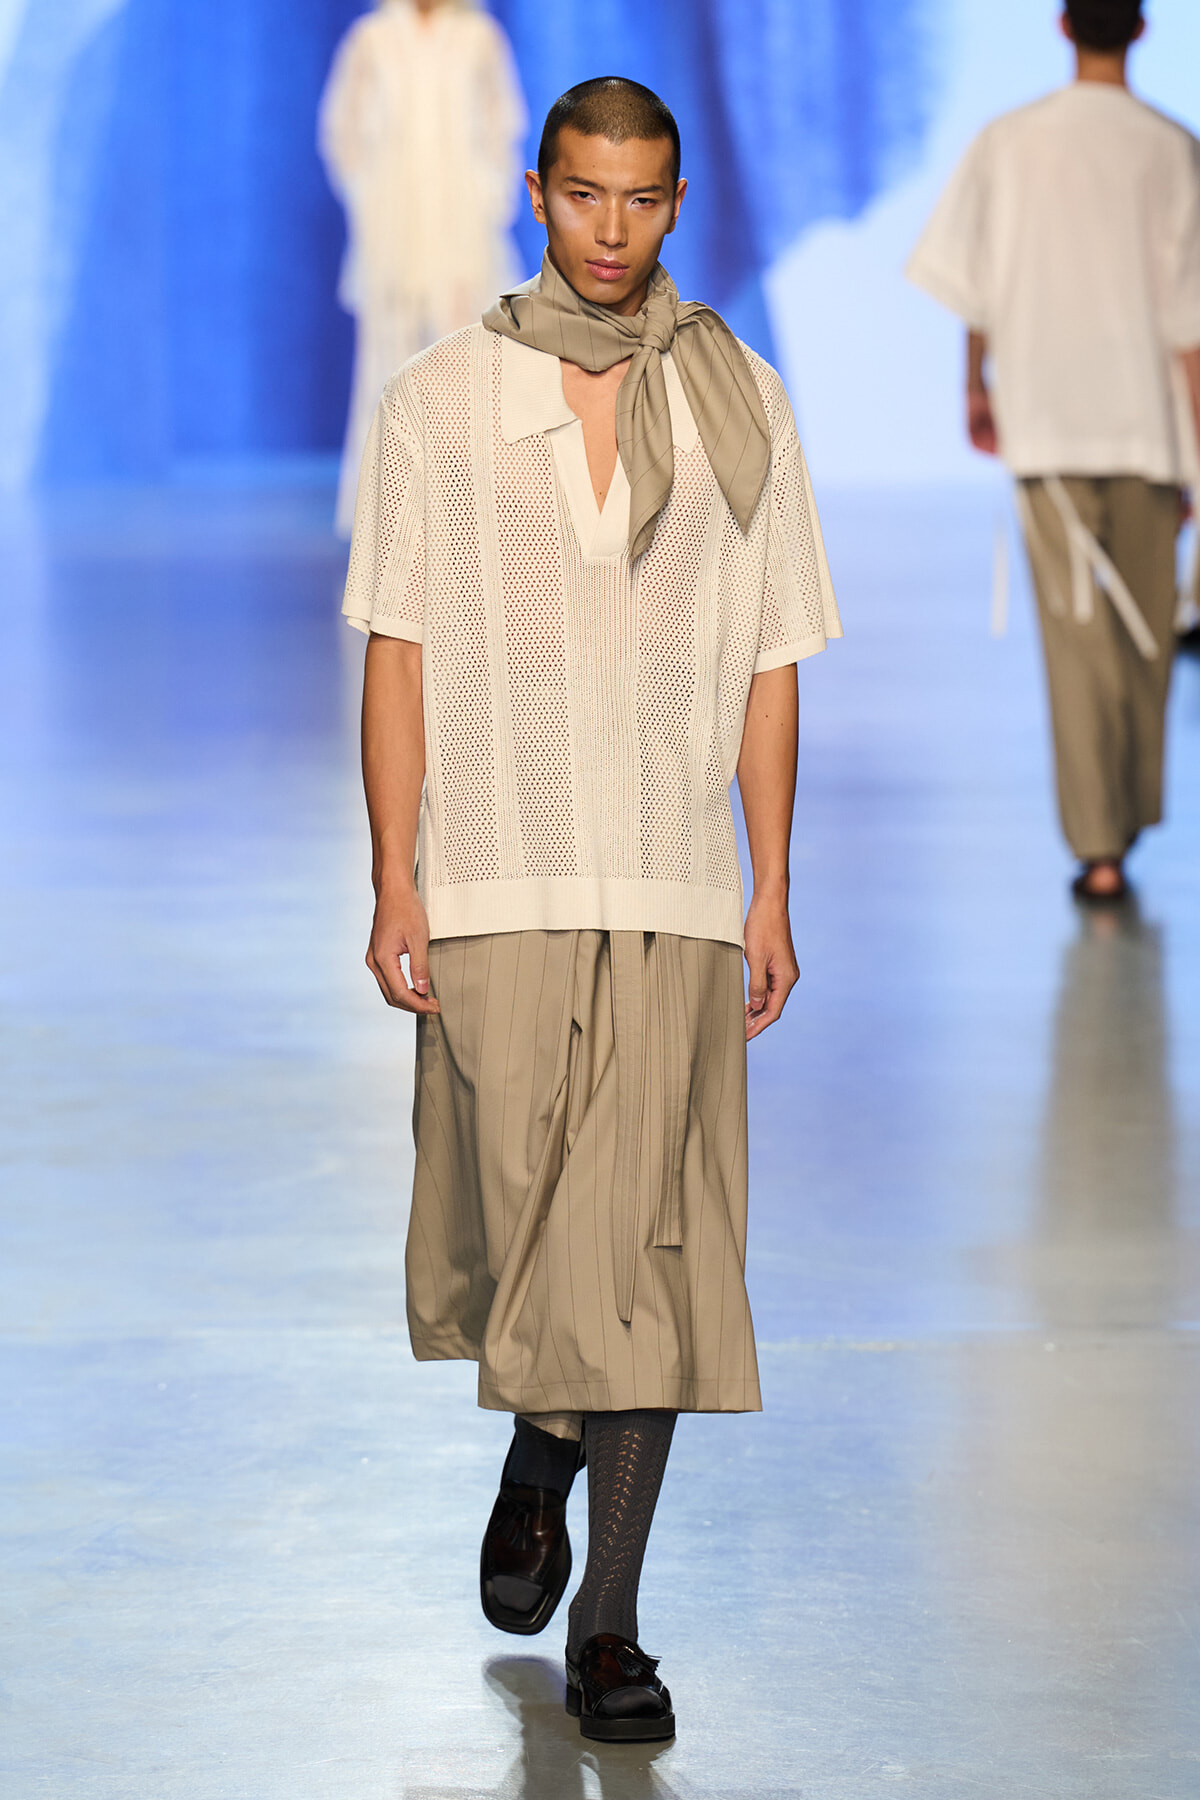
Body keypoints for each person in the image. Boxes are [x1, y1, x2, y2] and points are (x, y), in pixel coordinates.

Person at [341, 76, 840, 1742]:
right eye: (583, 198)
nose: (610, 232)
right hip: (496, 877)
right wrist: (393, 869)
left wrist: (769, 884)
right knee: (524, 1246)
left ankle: (610, 1631)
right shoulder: (441, 399)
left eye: (641, 201)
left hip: (677, 887)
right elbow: (397, 644)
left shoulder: (741, 399)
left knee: (658, 1267)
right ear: (536, 192)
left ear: (677, 203)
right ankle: (541, 1440)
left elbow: (772, 661)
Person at [907, 0, 1200, 903]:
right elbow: (1190, 320)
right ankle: (1123, 820)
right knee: (1147, 636)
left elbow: (973, 281)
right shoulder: (1173, 147)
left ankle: (1100, 846)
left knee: (1079, 640)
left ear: (1064, 25)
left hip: (1049, 421)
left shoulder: (1009, 140)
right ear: (1143, 30)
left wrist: (976, 383)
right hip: (1149, 424)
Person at [319, 0, 527, 536]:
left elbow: (504, 124)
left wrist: (488, 201)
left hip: (463, 231)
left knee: (467, 366)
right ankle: (391, 517)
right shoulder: (373, 38)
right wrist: (370, 203)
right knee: (389, 363)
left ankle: (471, 515)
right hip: (395, 229)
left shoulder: (479, 37)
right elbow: (340, 130)